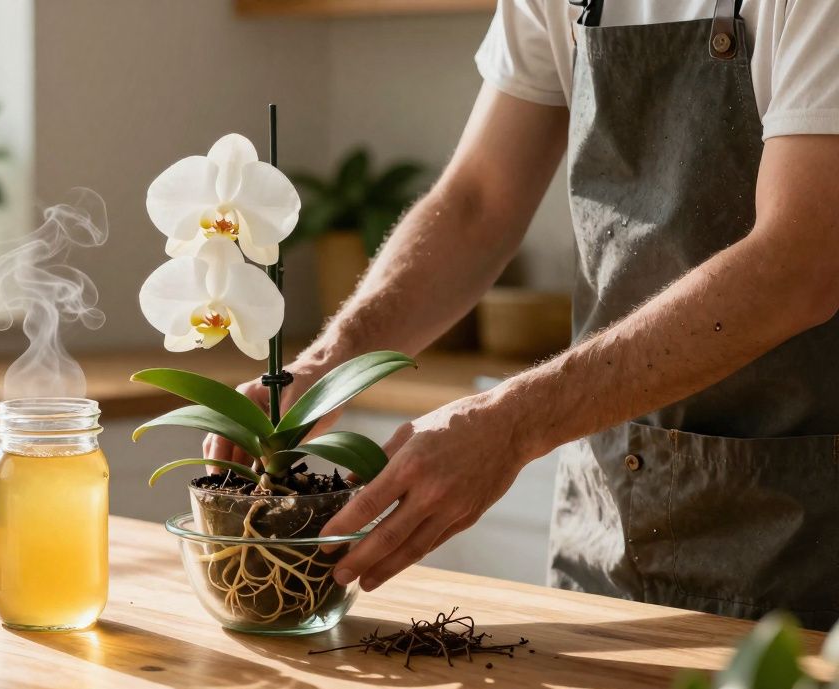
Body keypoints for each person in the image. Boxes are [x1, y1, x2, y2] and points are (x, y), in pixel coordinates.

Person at [207, 0, 839, 629]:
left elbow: (801, 260)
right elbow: (479, 201)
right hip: (605, 522)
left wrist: (512, 422)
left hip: (802, 534)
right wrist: (330, 363)